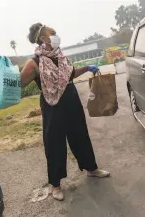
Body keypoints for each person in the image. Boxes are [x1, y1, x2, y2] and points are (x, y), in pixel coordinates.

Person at [20, 23, 110, 201]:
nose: (56, 36)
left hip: (71, 97)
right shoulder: (34, 62)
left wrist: (87, 68)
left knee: (80, 135)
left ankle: (91, 168)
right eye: (52, 34)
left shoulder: (61, 56)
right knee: (54, 143)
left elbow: (71, 74)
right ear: (43, 39)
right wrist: (5, 74)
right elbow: (19, 84)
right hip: (52, 104)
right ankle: (55, 185)